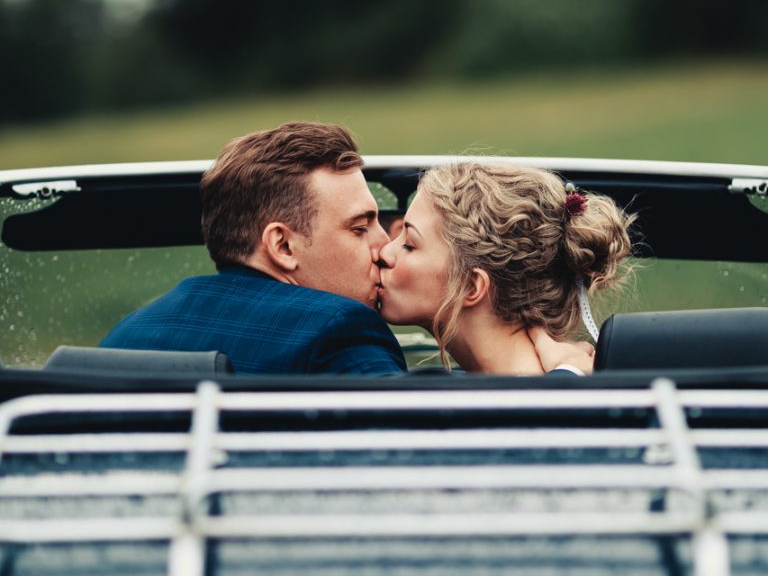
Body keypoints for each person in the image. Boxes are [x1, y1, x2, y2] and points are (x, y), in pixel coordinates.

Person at [101, 122, 407, 376]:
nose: (383, 247)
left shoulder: (123, 337)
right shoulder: (339, 332)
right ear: (283, 246)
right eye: (358, 228)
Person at [378, 161, 634, 375]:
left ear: (470, 286)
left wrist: (567, 377)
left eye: (409, 244)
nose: (384, 252)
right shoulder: (547, 383)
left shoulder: (546, 399)